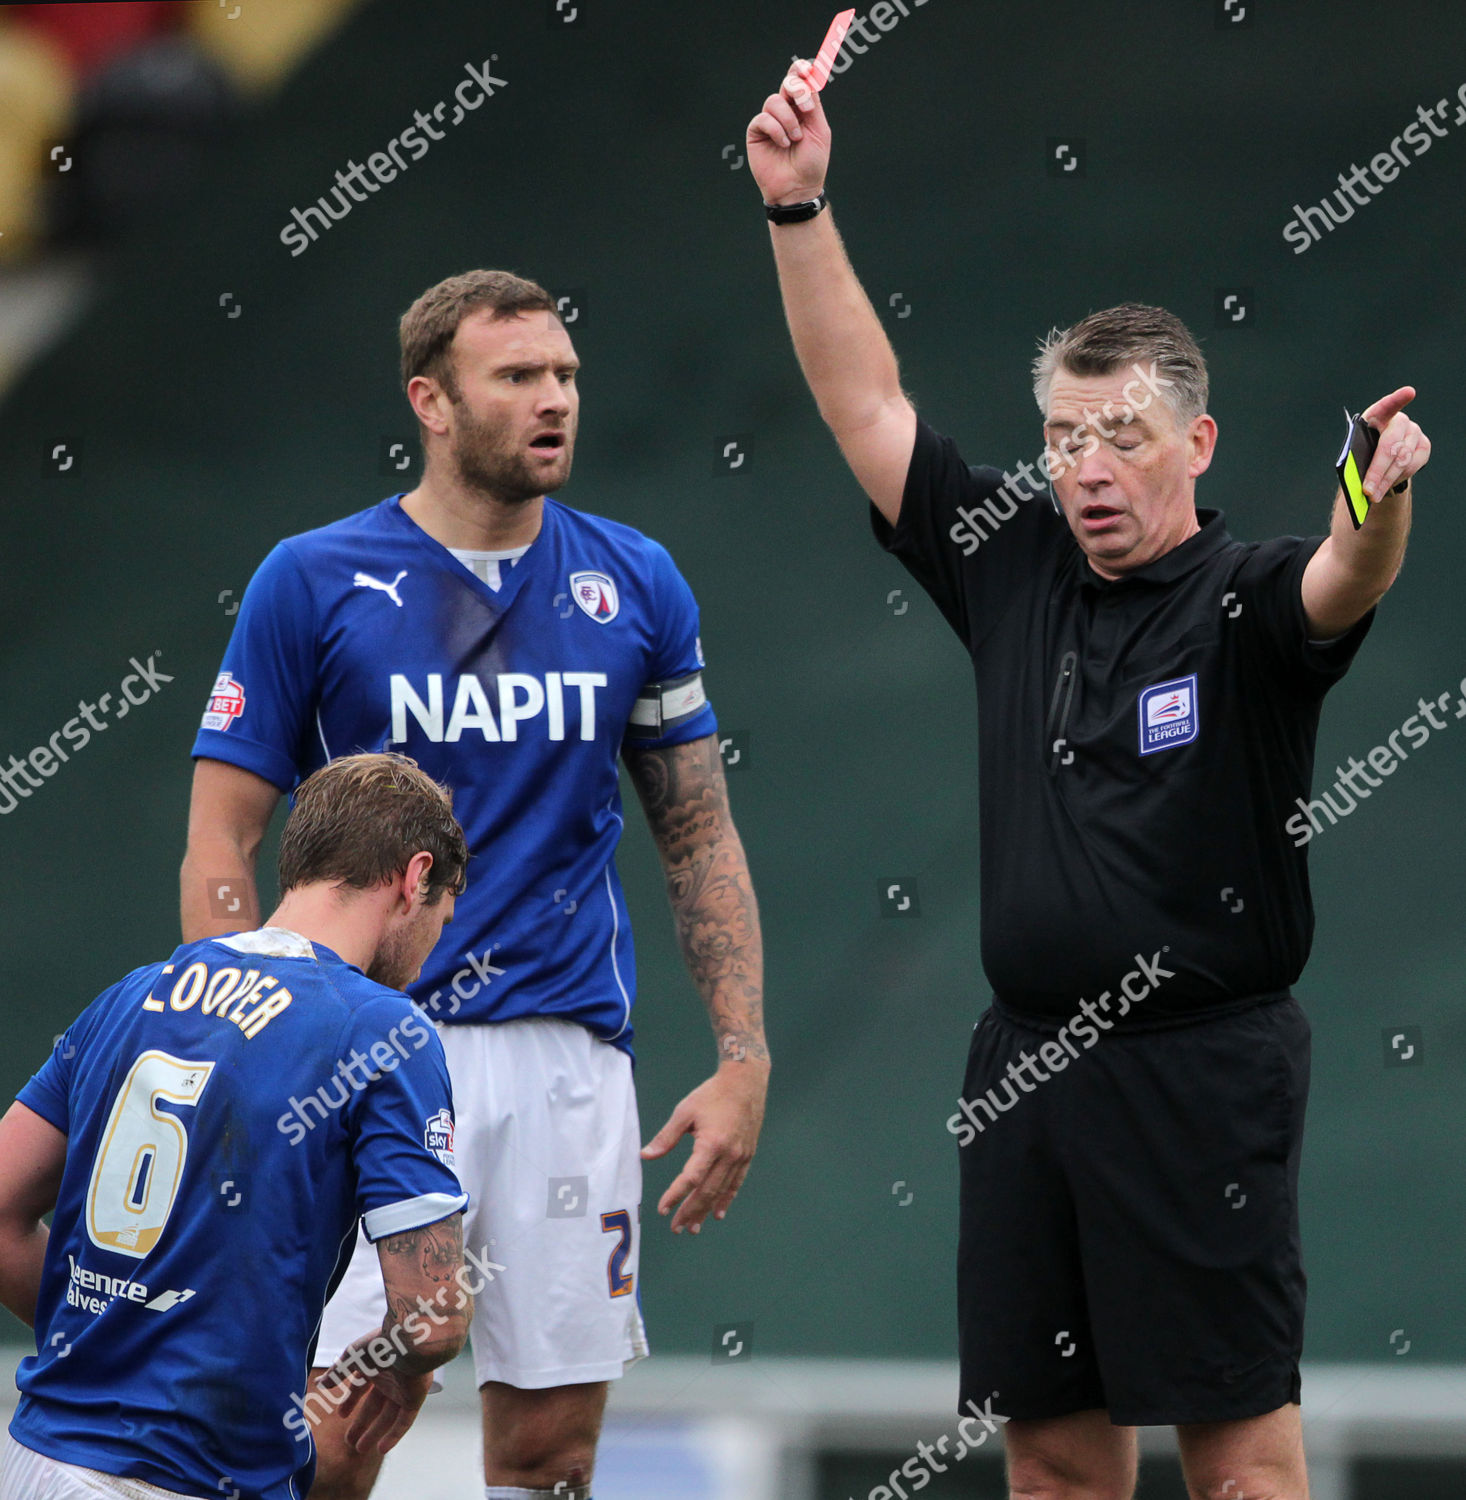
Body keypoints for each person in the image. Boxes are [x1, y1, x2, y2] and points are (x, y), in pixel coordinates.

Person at [746, 59, 1429, 1500]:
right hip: (1025, 1071)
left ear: (1196, 441)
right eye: (1063, 436)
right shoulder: (1011, 557)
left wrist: (1374, 496)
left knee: (1240, 1466)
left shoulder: (1242, 603)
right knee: (1052, 1465)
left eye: (1119, 435)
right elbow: (862, 402)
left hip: (1201, 1075)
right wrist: (798, 205)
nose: (1084, 466)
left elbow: (1342, 573)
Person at [179, 270, 769, 1500]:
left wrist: (743, 1055)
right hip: (359, 1054)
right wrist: (245, 1041)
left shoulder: (636, 580)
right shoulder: (312, 576)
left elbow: (699, 833)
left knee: (551, 1454)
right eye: (517, 378)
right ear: (430, 402)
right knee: (329, 1433)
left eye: (564, 376)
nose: (554, 400)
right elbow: (220, 842)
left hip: (564, 1061)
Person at [0, 752, 473, 1500]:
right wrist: (398, 1362)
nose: (423, 962)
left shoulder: (134, 993)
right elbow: (434, 1315)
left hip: (37, 1463)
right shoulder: (382, 1031)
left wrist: (111, 1331)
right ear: (416, 878)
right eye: (442, 919)